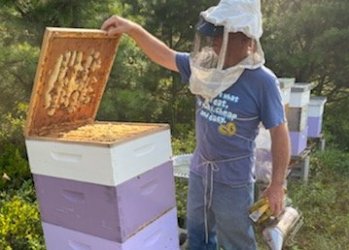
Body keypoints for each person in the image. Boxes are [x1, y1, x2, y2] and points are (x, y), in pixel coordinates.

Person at [101, 0, 291, 249]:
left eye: (221, 35)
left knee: (236, 240)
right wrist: (133, 29)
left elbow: (280, 134)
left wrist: (276, 185)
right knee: (198, 235)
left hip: (233, 180)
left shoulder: (262, 82)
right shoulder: (206, 67)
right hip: (200, 171)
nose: (213, 42)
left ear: (245, 39)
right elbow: (166, 56)